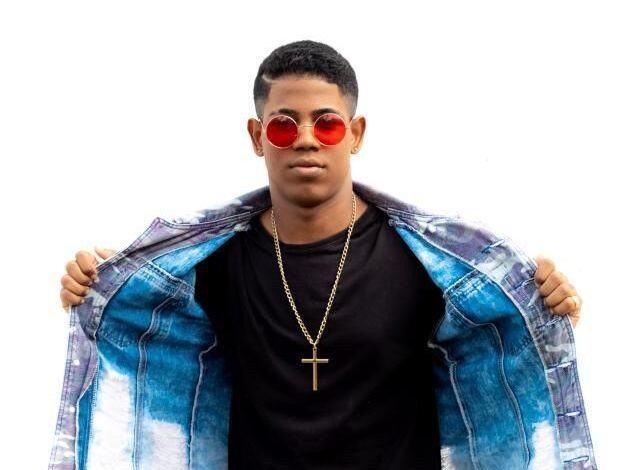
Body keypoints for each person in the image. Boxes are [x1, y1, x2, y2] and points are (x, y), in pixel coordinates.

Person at [57, 40, 587, 469]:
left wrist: (546, 310)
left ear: (355, 134)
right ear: (258, 137)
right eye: (284, 125)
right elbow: (143, 335)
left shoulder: (426, 263)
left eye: (327, 123)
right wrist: (101, 288)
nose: (306, 140)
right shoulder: (210, 266)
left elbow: (504, 345)